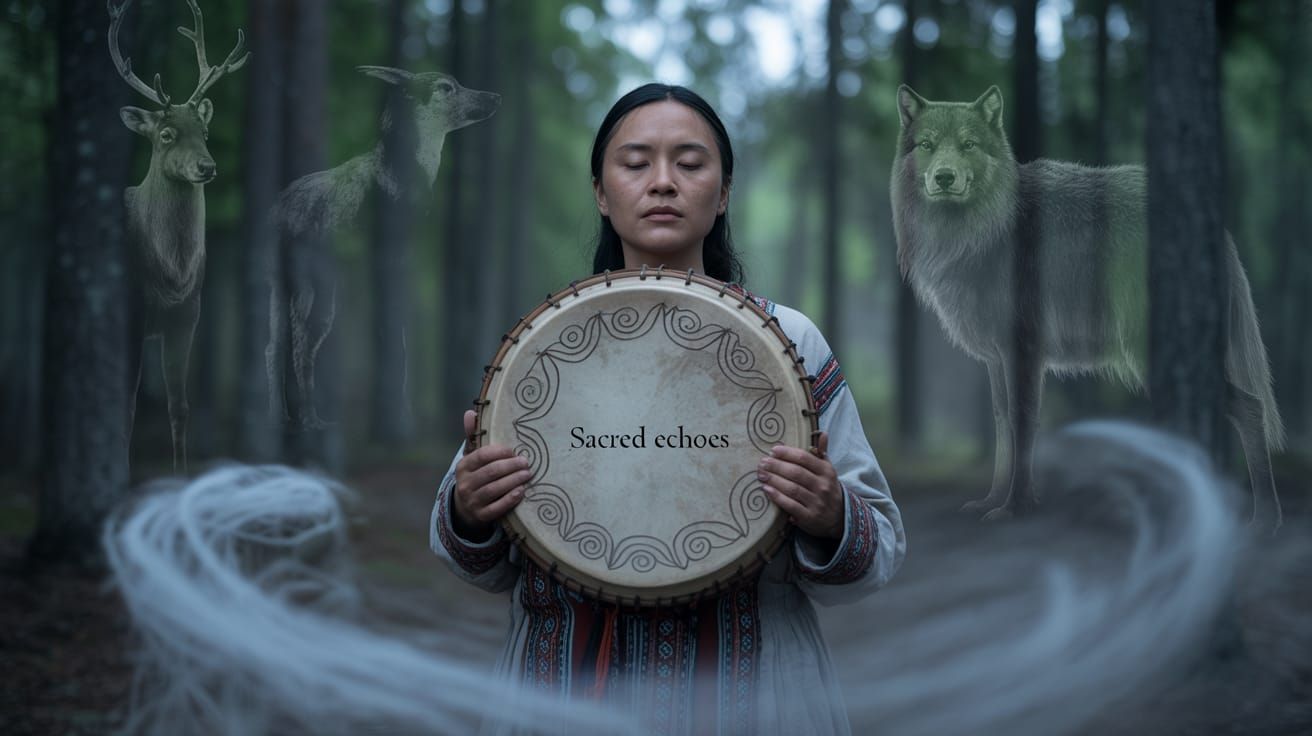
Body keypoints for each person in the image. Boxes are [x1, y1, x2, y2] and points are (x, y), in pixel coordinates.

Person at [430, 83, 905, 735]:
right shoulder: (545, 346)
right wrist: (469, 510)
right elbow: (468, 555)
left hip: (757, 703)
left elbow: (878, 549)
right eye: (635, 163)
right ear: (601, 191)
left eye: (689, 162)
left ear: (724, 191)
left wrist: (832, 514)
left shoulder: (788, 345)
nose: (662, 182)